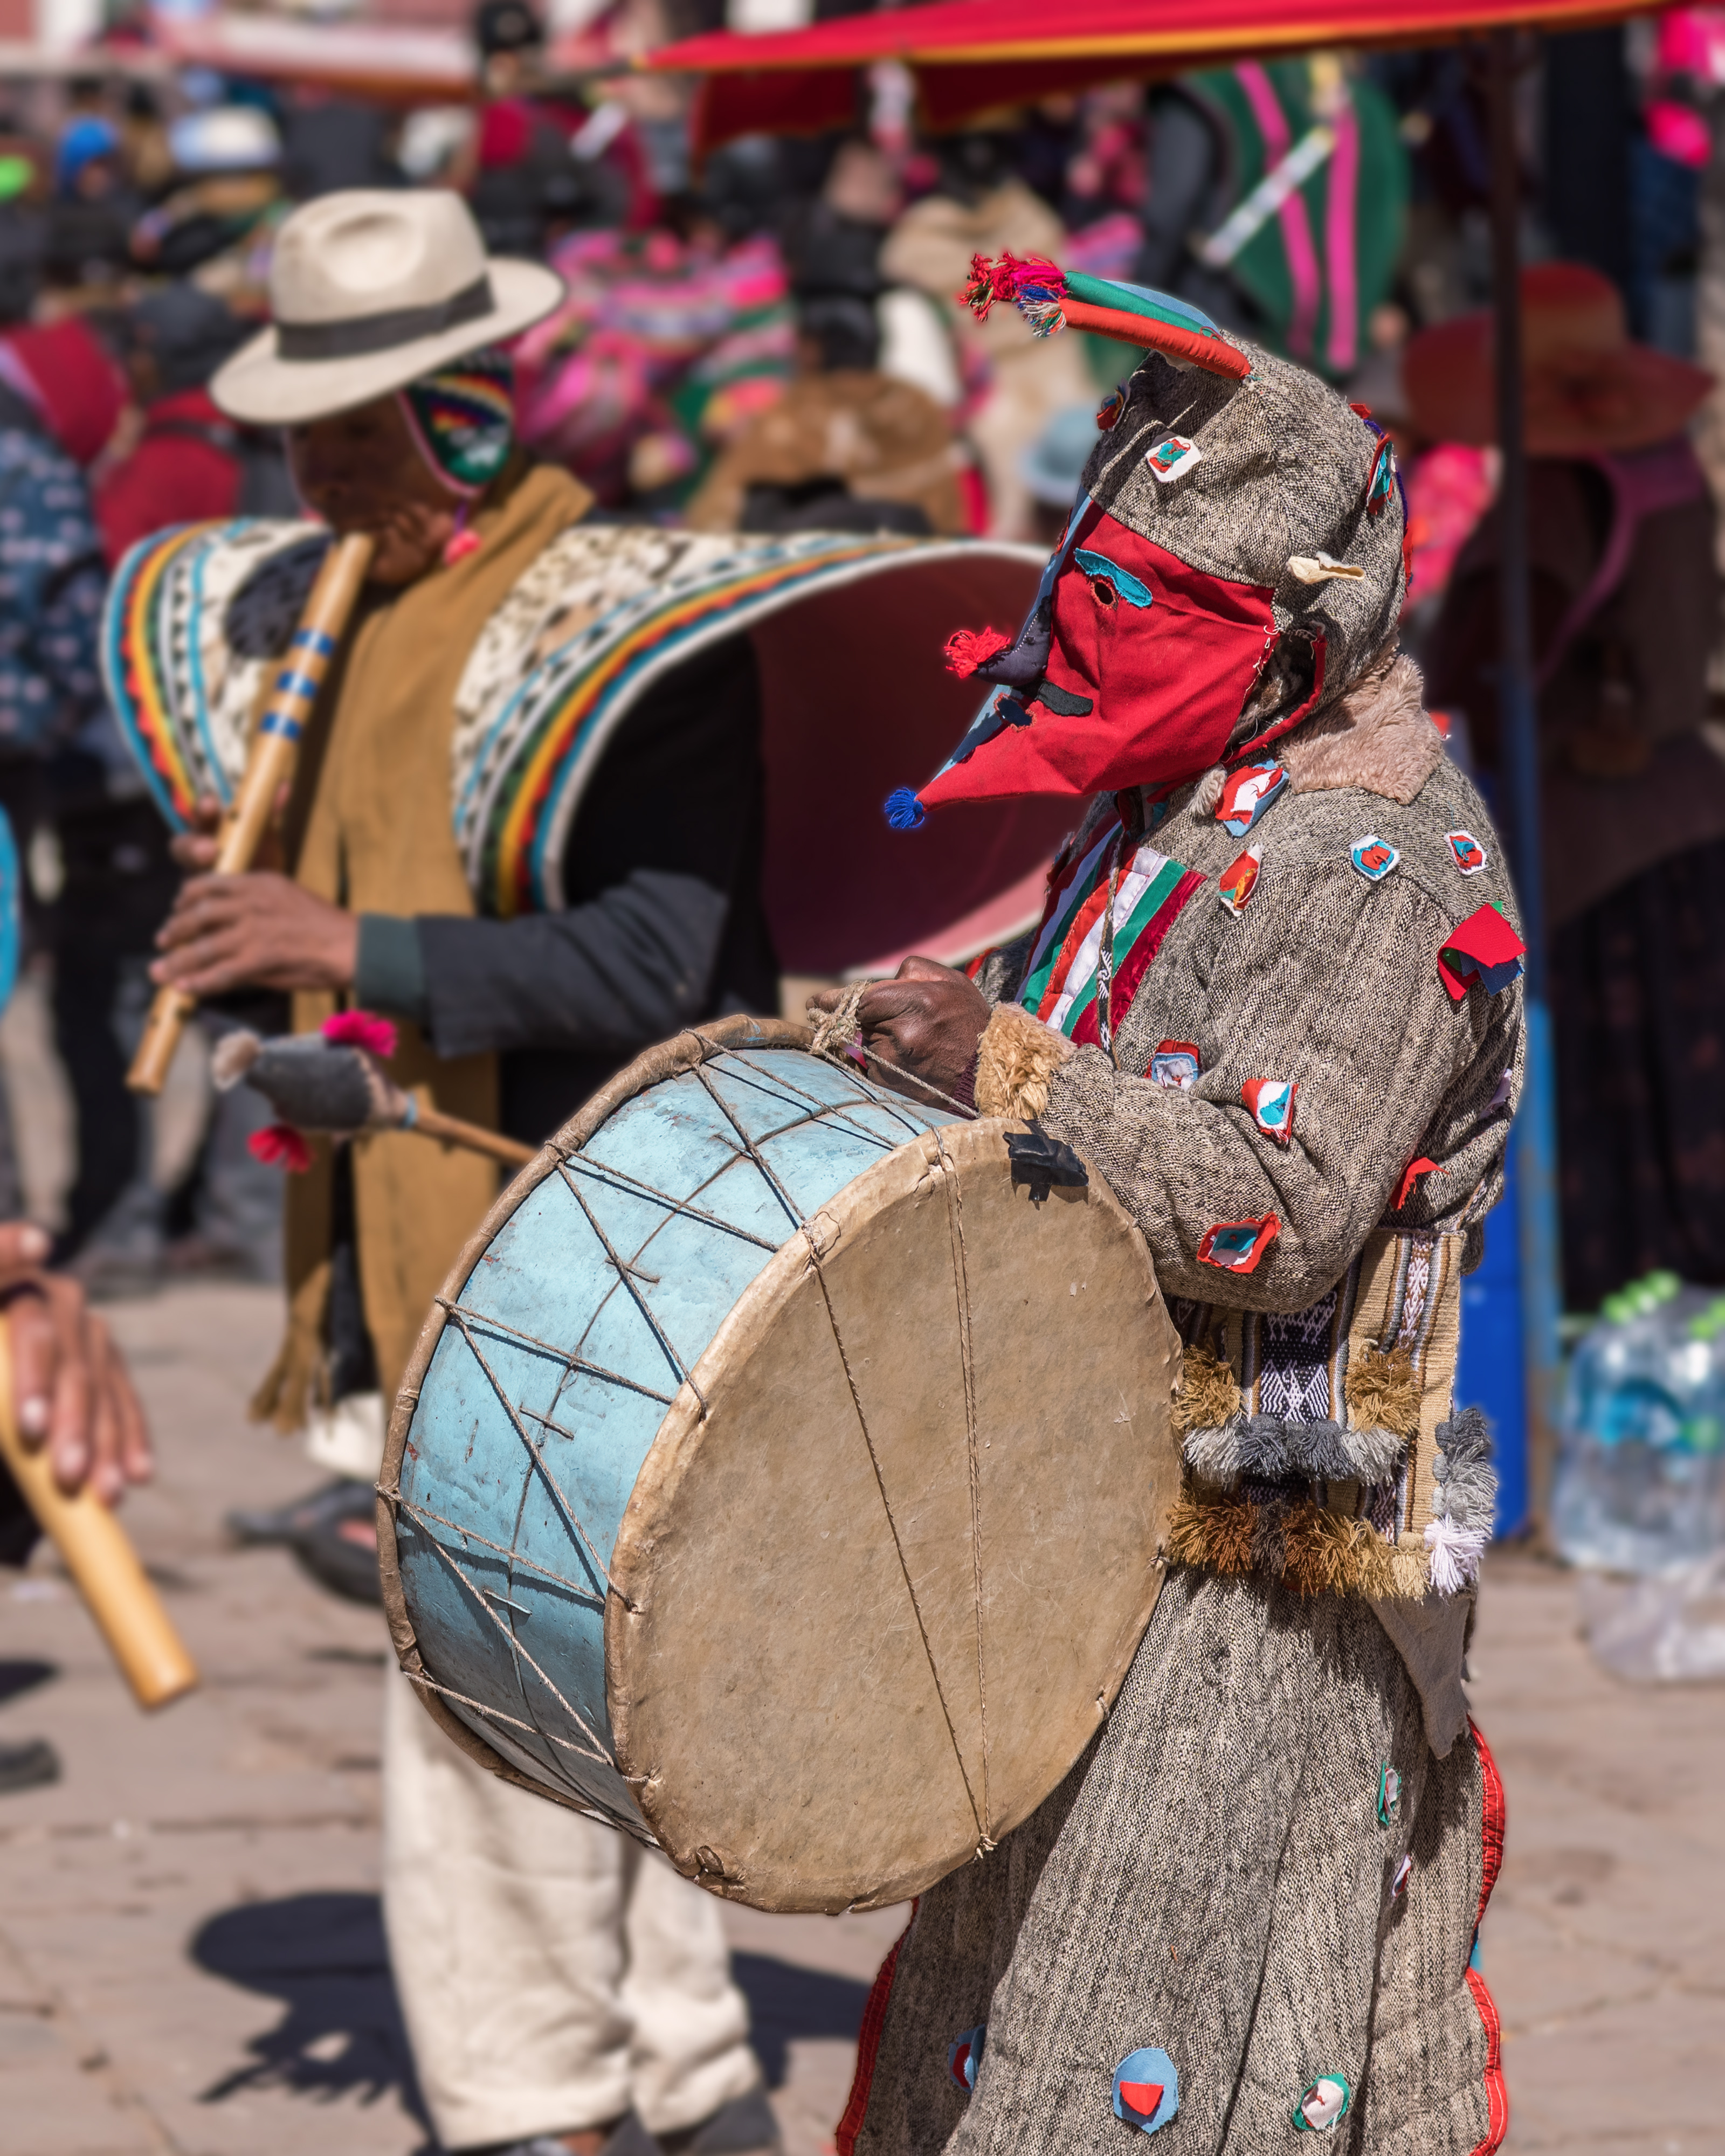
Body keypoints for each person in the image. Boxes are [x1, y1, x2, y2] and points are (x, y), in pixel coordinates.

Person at [816, 262, 1516, 2152]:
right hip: (1085, 1511)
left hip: (1253, 1550)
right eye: (1108, 601)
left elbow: (1281, 1210)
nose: (1118, 647)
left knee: (1147, 2035)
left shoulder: (1381, 853)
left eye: (1173, 616)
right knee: (1012, 1995)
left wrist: (1012, 1071)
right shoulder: (1181, 803)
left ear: (1304, 623)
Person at [139, 185, 786, 2156]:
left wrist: (351, 955)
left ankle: (539, 2091)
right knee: (594, 1675)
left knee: (518, 1688)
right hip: (417, 1216)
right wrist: (275, 966)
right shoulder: (328, 627)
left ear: (470, 412)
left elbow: (660, 958)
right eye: (299, 441)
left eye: (357, 435)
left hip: (602, 1225)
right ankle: (681, 2069)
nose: (318, 478)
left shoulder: (634, 631)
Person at [1417, 261, 1725, 1308]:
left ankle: (1622, 1293)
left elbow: (1485, 665)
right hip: (1690, 806)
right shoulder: (1665, 466)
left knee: (1611, 1080)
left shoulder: (1554, 498)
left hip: (1593, 834)